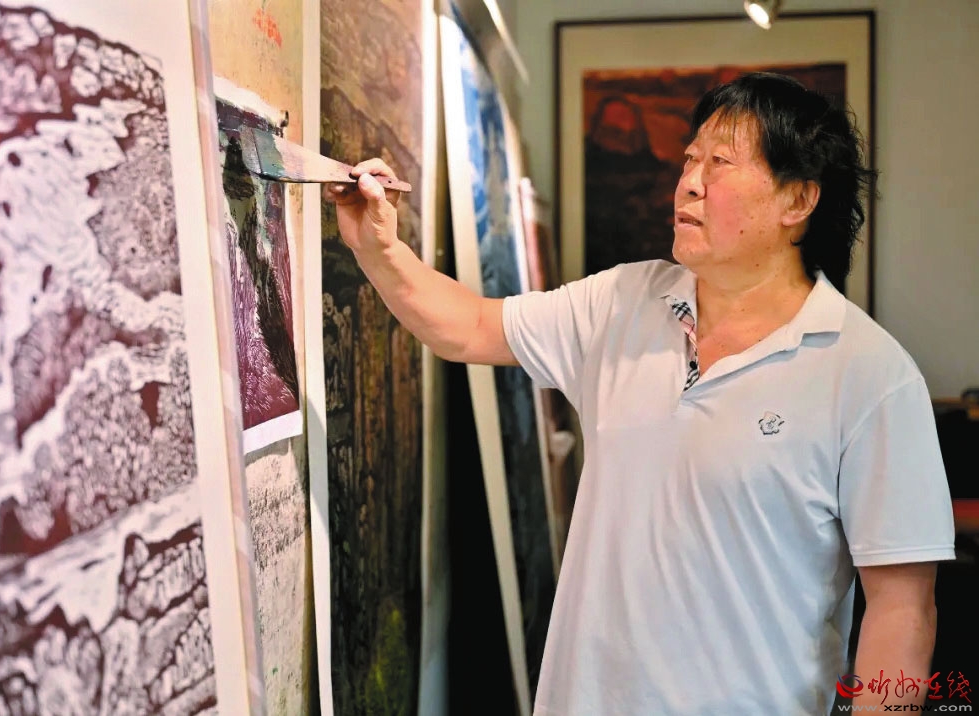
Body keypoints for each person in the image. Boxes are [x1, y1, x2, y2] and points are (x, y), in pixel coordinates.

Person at [325, 72, 956, 715]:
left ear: (797, 199)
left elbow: (903, 610)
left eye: (720, 163)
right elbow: (470, 327)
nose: (689, 182)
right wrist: (379, 248)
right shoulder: (623, 302)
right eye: (689, 159)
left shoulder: (870, 374)